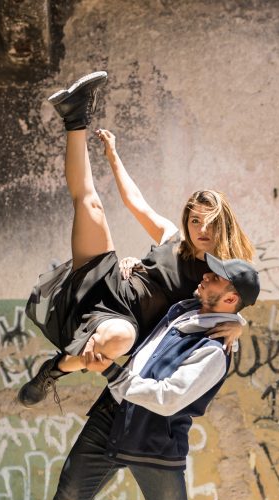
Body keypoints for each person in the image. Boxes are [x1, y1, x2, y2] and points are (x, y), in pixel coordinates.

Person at [16, 254, 261, 500]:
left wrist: (112, 372)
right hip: (110, 421)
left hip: (154, 442)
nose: (205, 277)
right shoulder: (186, 308)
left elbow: (167, 399)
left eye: (215, 278)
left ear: (230, 297)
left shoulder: (215, 351)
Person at [19, 70, 255, 406]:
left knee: (115, 339)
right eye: (195, 221)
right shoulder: (173, 237)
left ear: (224, 226)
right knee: (91, 205)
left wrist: (239, 324)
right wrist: (113, 157)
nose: (202, 230)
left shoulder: (223, 276)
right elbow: (135, 201)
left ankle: (51, 372)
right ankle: (75, 116)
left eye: (211, 224)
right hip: (112, 283)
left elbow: (233, 303)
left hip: (125, 322)